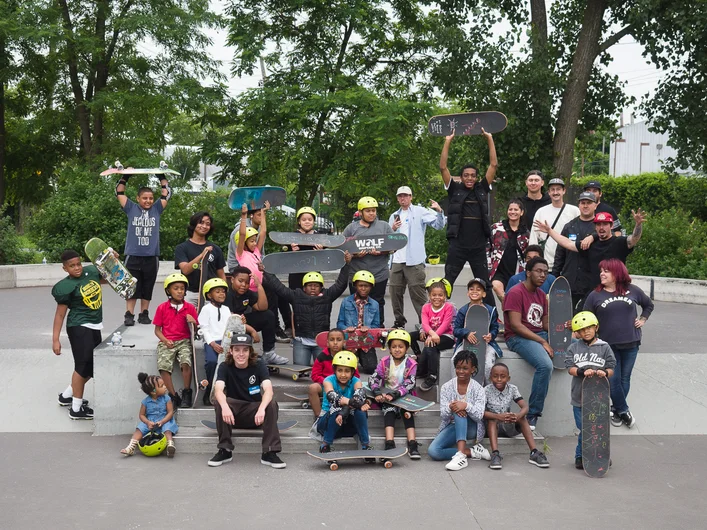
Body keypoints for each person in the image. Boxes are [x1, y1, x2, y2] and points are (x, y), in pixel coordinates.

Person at [583, 259, 653, 429]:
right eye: (601, 271)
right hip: (608, 346)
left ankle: (615, 410)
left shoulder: (632, 290)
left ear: (617, 273)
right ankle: (624, 410)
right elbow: (586, 316)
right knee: (612, 380)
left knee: (624, 378)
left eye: (606, 271)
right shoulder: (595, 295)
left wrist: (643, 319)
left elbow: (648, 305)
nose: (602, 274)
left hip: (632, 342)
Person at [534, 209, 647, 306]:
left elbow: (633, 239)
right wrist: (550, 231)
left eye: (605, 224)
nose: (601, 227)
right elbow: (568, 244)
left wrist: (638, 224)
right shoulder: (590, 245)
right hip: (595, 293)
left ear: (611, 226)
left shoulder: (619, 242)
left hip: (615, 293)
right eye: (598, 224)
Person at [207, 334, 286, 468]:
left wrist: (261, 409)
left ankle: (269, 452)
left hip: (255, 415)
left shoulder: (259, 364)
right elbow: (218, 390)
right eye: (237, 350)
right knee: (219, 401)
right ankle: (225, 450)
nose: (241, 354)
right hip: (232, 416)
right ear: (231, 351)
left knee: (271, 403)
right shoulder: (225, 366)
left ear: (250, 352)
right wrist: (225, 407)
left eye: (245, 350)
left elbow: (268, 390)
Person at [439, 129, 497, 308]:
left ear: (477, 177)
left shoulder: (482, 188)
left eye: (473, 175)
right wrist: (448, 140)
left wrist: (490, 138)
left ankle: (493, 316)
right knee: (447, 282)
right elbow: (443, 167)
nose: (470, 178)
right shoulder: (454, 189)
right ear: (461, 177)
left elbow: (493, 165)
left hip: (478, 247)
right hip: (458, 246)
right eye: (466, 175)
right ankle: (437, 314)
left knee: (485, 283)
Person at [263, 256, 352, 367]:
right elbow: (279, 288)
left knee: (323, 368)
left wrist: (346, 265)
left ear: (321, 287)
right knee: (301, 367)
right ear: (304, 287)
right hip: (301, 340)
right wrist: (266, 272)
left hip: (321, 340)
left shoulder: (327, 296)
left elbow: (341, 284)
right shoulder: (296, 296)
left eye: (316, 286)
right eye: (310, 285)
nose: (313, 288)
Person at [52, 250, 105, 420]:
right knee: (82, 366)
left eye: (78, 264)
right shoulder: (66, 286)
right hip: (78, 326)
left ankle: (67, 395)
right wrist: (55, 340)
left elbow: (109, 278)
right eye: (72, 266)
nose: (77, 268)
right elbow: (59, 315)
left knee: (92, 366)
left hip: (95, 325)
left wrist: (112, 261)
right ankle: (76, 408)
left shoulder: (90, 273)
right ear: (65, 268)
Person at [227, 204, 292, 342]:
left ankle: (278, 328)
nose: (253, 243)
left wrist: (263, 213)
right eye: (251, 241)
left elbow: (263, 231)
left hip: (259, 285)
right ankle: (241, 330)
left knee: (273, 299)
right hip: (248, 287)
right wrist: (244, 216)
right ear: (243, 242)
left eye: (254, 241)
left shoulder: (256, 250)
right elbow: (243, 233)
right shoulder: (241, 254)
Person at [116, 171, 171, 327]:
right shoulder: (131, 208)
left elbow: (166, 194)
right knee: (131, 286)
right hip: (133, 255)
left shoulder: (157, 209)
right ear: (138, 199)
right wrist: (125, 176)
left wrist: (161, 177)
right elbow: (119, 192)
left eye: (150, 198)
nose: (148, 201)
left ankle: (144, 314)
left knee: (148, 285)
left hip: (151, 256)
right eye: (145, 198)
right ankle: (129, 314)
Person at [503, 257, 552, 431]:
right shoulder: (515, 292)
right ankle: (532, 414)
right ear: (528, 272)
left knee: (577, 343)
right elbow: (516, 325)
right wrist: (542, 341)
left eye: (546, 272)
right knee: (545, 366)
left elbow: (545, 325)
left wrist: (562, 329)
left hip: (539, 333)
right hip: (518, 337)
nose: (543, 275)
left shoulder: (540, 295)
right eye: (539, 271)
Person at [388, 186, 446, 328]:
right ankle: (399, 321)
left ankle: (424, 323)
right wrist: (393, 229)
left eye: (406, 195)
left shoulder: (420, 211)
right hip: (396, 260)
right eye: (400, 196)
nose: (403, 198)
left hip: (414, 261)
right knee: (395, 292)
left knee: (418, 293)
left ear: (411, 197)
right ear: (397, 198)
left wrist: (439, 211)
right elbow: (388, 239)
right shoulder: (394, 215)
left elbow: (439, 225)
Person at [566, 311, 616, 470]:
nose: (586, 331)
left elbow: (611, 367)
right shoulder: (574, 347)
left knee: (599, 428)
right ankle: (582, 455)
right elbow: (569, 368)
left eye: (589, 328)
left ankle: (599, 454)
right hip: (579, 397)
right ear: (577, 332)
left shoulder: (604, 347)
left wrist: (605, 373)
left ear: (596, 328)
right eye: (581, 329)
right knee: (586, 428)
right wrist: (581, 371)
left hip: (599, 397)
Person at [427, 351, 490, 470]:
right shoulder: (446, 387)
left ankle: (461, 456)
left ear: (473, 369)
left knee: (460, 410)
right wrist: (451, 407)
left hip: (472, 428)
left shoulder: (478, 389)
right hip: (453, 426)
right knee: (433, 451)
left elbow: (479, 416)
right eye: (458, 368)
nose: (461, 371)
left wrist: (465, 406)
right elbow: (444, 416)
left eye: (465, 368)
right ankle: (471, 452)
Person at [484, 363, 549, 470]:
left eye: (503, 376)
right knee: (492, 419)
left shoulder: (512, 389)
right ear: (490, 378)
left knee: (522, 418)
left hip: (507, 425)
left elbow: (525, 407)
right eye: (495, 376)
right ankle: (495, 454)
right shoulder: (486, 390)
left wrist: (517, 416)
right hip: (492, 428)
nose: (499, 379)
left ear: (508, 378)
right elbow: (481, 412)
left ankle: (534, 452)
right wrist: (498, 416)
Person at [369, 330, 421, 459]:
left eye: (401, 347)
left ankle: (412, 443)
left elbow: (410, 382)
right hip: (388, 397)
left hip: (404, 395)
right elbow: (373, 378)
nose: (397, 349)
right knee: (389, 410)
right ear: (389, 348)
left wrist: (397, 393)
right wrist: (376, 391)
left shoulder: (411, 364)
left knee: (407, 412)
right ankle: (389, 443)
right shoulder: (384, 361)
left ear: (406, 348)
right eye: (394, 347)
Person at [342, 196, 394, 325]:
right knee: (356, 303)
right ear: (360, 212)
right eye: (368, 211)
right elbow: (343, 249)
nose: (372, 213)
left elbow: (394, 246)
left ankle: (378, 330)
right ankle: (355, 330)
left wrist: (382, 251)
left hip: (379, 274)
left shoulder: (384, 226)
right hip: (356, 274)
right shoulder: (351, 228)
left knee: (377, 303)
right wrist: (355, 254)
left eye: (373, 210)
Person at [225, 266, 288, 365]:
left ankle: (269, 353)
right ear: (232, 280)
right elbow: (231, 321)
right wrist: (252, 331)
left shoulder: (247, 293)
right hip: (227, 328)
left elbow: (262, 307)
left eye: (246, 282)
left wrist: (259, 285)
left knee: (268, 315)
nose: (243, 285)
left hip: (242, 322)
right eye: (240, 281)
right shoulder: (227, 294)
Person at [153, 273, 198, 408]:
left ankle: (187, 392)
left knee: (186, 362)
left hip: (184, 340)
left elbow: (195, 330)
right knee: (164, 367)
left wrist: (193, 322)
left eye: (182, 288)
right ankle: (173, 395)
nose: (179, 291)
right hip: (167, 340)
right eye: (176, 288)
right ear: (168, 291)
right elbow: (157, 330)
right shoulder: (162, 307)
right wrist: (165, 340)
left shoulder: (189, 307)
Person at [551, 191, 599, 311]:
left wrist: (594, 236)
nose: (585, 206)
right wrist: (554, 277)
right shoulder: (569, 226)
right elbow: (560, 254)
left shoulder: (599, 227)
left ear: (595, 205)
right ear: (579, 205)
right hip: (570, 281)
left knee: (588, 318)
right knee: (566, 317)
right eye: (583, 203)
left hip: (592, 282)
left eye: (589, 203)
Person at [316, 351, 372, 453]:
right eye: (340, 370)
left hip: (347, 423)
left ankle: (365, 445)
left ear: (352, 372)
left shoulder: (356, 381)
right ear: (335, 371)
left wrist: (355, 404)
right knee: (336, 409)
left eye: (347, 371)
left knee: (360, 411)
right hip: (327, 424)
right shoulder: (328, 380)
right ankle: (325, 444)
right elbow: (332, 397)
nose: (343, 374)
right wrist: (351, 402)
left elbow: (358, 397)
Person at [452, 278, 502, 382]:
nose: (474, 291)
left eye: (478, 289)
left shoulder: (491, 310)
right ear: (467, 293)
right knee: (455, 360)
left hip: (486, 344)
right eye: (471, 289)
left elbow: (495, 328)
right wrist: (466, 333)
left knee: (488, 364)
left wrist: (491, 335)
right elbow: (455, 330)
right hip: (466, 343)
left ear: (484, 294)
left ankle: (487, 389)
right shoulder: (463, 310)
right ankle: (456, 387)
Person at [410, 278, 456, 391]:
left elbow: (446, 324)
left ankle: (432, 375)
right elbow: (425, 323)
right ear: (429, 296)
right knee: (409, 336)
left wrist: (433, 336)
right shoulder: (425, 307)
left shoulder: (449, 307)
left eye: (440, 295)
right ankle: (419, 358)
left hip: (446, 335)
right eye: (434, 295)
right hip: (430, 332)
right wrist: (429, 334)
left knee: (431, 345)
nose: (437, 297)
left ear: (445, 296)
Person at [174, 211, 227, 306]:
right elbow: (185, 270)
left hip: (211, 294)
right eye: (201, 222)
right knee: (188, 320)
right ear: (194, 224)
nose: (204, 226)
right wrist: (202, 255)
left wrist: (223, 292)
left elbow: (221, 275)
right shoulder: (182, 248)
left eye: (208, 224)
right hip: (189, 293)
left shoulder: (216, 249)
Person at [120, 372, 178, 457]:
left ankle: (170, 445)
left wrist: (163, 421)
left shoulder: (167, 399)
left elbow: (170, 413)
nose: (165, 387)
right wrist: (147, 422)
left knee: (167, 429)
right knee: (139, 429)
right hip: (150, 422)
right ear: (153, 391)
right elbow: (141, 415)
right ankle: (131, 447)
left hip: (165, 420)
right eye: (162, 386)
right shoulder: (145, 402)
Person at [528, 178, 580, 270]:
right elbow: (533, 238)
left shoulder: (574, 211)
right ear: (549, 192)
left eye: (558, 189)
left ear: (564, 191)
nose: (555, 192)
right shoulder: (541, 212)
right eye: (552, 189)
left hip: (568, 263)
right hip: (546, 264)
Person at [336, 269, 380, 373]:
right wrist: (346, 328)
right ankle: (355, 355)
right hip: (350, 340)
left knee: (371, 368)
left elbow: (376, 325)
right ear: (355, 286)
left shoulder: (375, 304)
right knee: (346, 367)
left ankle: (361, 356)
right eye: (360, 285)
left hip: (366, 341)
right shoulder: (346, 302)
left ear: (371, 287)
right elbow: (339, 323)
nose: (363, 288)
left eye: (367, 286)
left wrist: (369, 329)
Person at [309, 329, 360, 418]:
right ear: (327, 342)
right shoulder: (322, 356)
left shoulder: (349, 356)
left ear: (344, 342)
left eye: (339, 340)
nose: (335, 343)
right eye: (332, 340)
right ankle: (319, 417)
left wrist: (346, 381)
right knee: (312, 388)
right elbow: (314, 375)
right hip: (326, 386)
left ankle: (350, 413)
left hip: (345, 385)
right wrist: (328, 382)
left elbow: (356, 376)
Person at [198, 278, 232, 405]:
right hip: (211, 342)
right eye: (217, 291)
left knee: (229, 364)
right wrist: (212, 343)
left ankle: (226, 391)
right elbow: (204, 328)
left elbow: (230, 326)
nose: (222, 294)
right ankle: (209, 391)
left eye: (223, 291)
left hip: (226, 342)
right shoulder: (206, 309)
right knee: (212, 362)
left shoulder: (226, 309)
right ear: (209, 295)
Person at [489, 198, 530, 303]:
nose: (512, 212)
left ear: (521, 212)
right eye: (510, 209)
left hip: (517, 271)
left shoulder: (526, 233)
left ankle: (509, 310)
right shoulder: (496, 228)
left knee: (517, 298)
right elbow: (487, 247)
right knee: (497, 288)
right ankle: (507, 304)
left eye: (516, 210)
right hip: (498, 270)